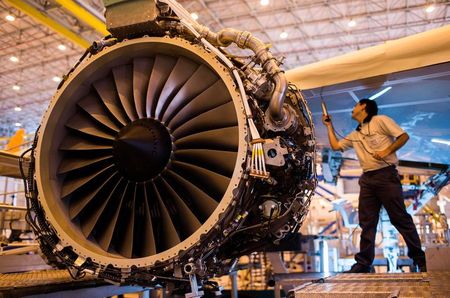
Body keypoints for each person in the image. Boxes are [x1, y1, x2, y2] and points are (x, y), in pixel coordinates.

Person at [322, 98, 426, 273]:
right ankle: (363, 263)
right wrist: (328, 126)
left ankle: (419, 259)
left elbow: (403, 136)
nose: (353, 108)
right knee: (367, 222)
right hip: (368, 179)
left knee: (399, 218)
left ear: (364, 106)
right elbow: (336, 146)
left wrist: (386, 151)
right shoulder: (356, 134)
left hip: (386, 174)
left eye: (355, 105)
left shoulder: (380, 120)